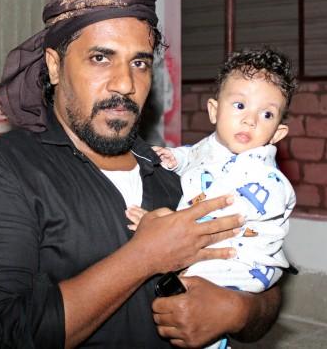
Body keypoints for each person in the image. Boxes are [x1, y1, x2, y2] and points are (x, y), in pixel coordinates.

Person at [0, 0, 281, 349]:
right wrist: (144, 256)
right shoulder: (1, 173)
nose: (125, 83)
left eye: (139, 62)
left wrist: (235, 310)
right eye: (101, 58)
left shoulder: (176, 172)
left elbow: (265, 277)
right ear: (54, 66)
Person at [126, 48, 296, 348]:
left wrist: (164, 224)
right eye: (240, 105)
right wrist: (174, 159)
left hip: (244, 263)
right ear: (214, 111)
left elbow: (221, 215)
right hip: (214, 251)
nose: (250, 120)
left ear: (278, 133)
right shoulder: (213, 145)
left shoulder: (266, 177)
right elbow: (193, 154)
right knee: (186, 311)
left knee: (196, 304)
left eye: (266, 114)